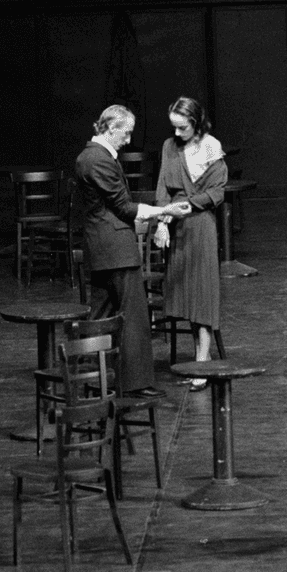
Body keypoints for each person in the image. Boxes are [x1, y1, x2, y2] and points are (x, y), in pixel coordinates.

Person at [74, 104, 191, 395]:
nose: (128, 140)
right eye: (125, 133)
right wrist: (164, 211)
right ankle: (135, 384)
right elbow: (124, 207)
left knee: (101, 316)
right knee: (133, 317)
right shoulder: (98, 159)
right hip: (116, 250)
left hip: (102, 249)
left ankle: (87, 380)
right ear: (110, 128)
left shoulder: (92, 156)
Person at [154, 96, 226, 391]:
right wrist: (162, 221)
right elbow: (162, 187)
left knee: (202, 294)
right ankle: (199, 357)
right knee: (186, 293)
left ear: (195, 123)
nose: (177, 132)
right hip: (177, 226)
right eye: (173, 127)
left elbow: (217, 193)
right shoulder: (169, 146)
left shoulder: (210, 147)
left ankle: (202, 361)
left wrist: (186, 205)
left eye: (182, 127)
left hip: (200, 226)